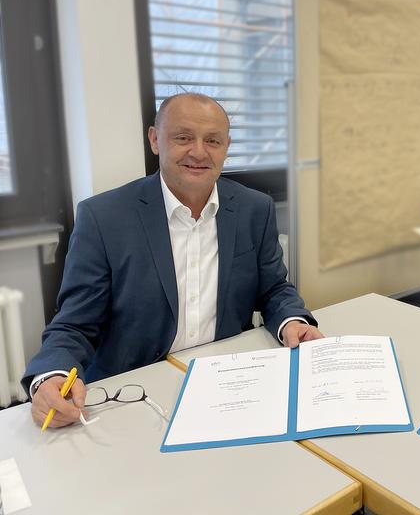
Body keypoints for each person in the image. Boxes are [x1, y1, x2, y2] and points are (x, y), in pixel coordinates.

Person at [23, 92, 323, 428]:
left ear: (226, 146)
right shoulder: (103, 218)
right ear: (155, 140)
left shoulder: (254, 209)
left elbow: (273, 290)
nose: (198, 151)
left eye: (213, 140)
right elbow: (75, 324)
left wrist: (293, 322)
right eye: (182, 138)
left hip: (227, 385)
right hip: (135, 394)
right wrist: (50, 376)